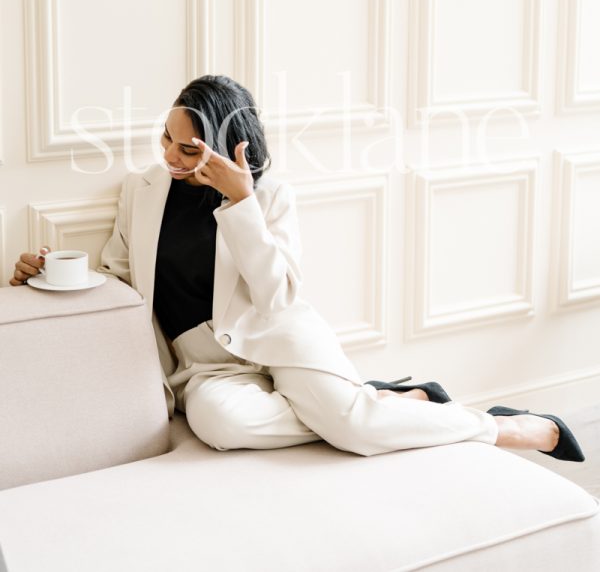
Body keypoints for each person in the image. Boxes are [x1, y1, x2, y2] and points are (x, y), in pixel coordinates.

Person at [11, 75, 584, 462]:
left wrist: (241, 205)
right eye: (167, 138)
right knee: (223, 427)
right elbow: (119, 277)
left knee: (356, 434)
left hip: (281, 342)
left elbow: (279, 298)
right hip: (207, 369)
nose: (170, 156)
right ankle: (378, 399)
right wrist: (45, 274)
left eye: (189, 149)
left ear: (227, 145)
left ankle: (505, 426)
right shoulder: (141, 191)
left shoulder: (270, 195)